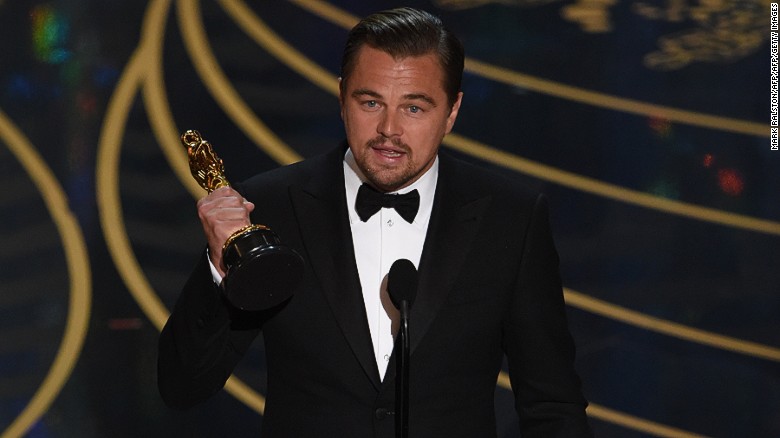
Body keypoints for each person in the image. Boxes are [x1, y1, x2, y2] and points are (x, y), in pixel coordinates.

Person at [158, 7, 592, 437]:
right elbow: (183, 386)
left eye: (414, 108)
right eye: (370, 102)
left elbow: (553, 405)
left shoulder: (510, 218)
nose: (389, 129)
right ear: (343, 97)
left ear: (452, 111)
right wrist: (220, 265)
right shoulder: (270, 207)